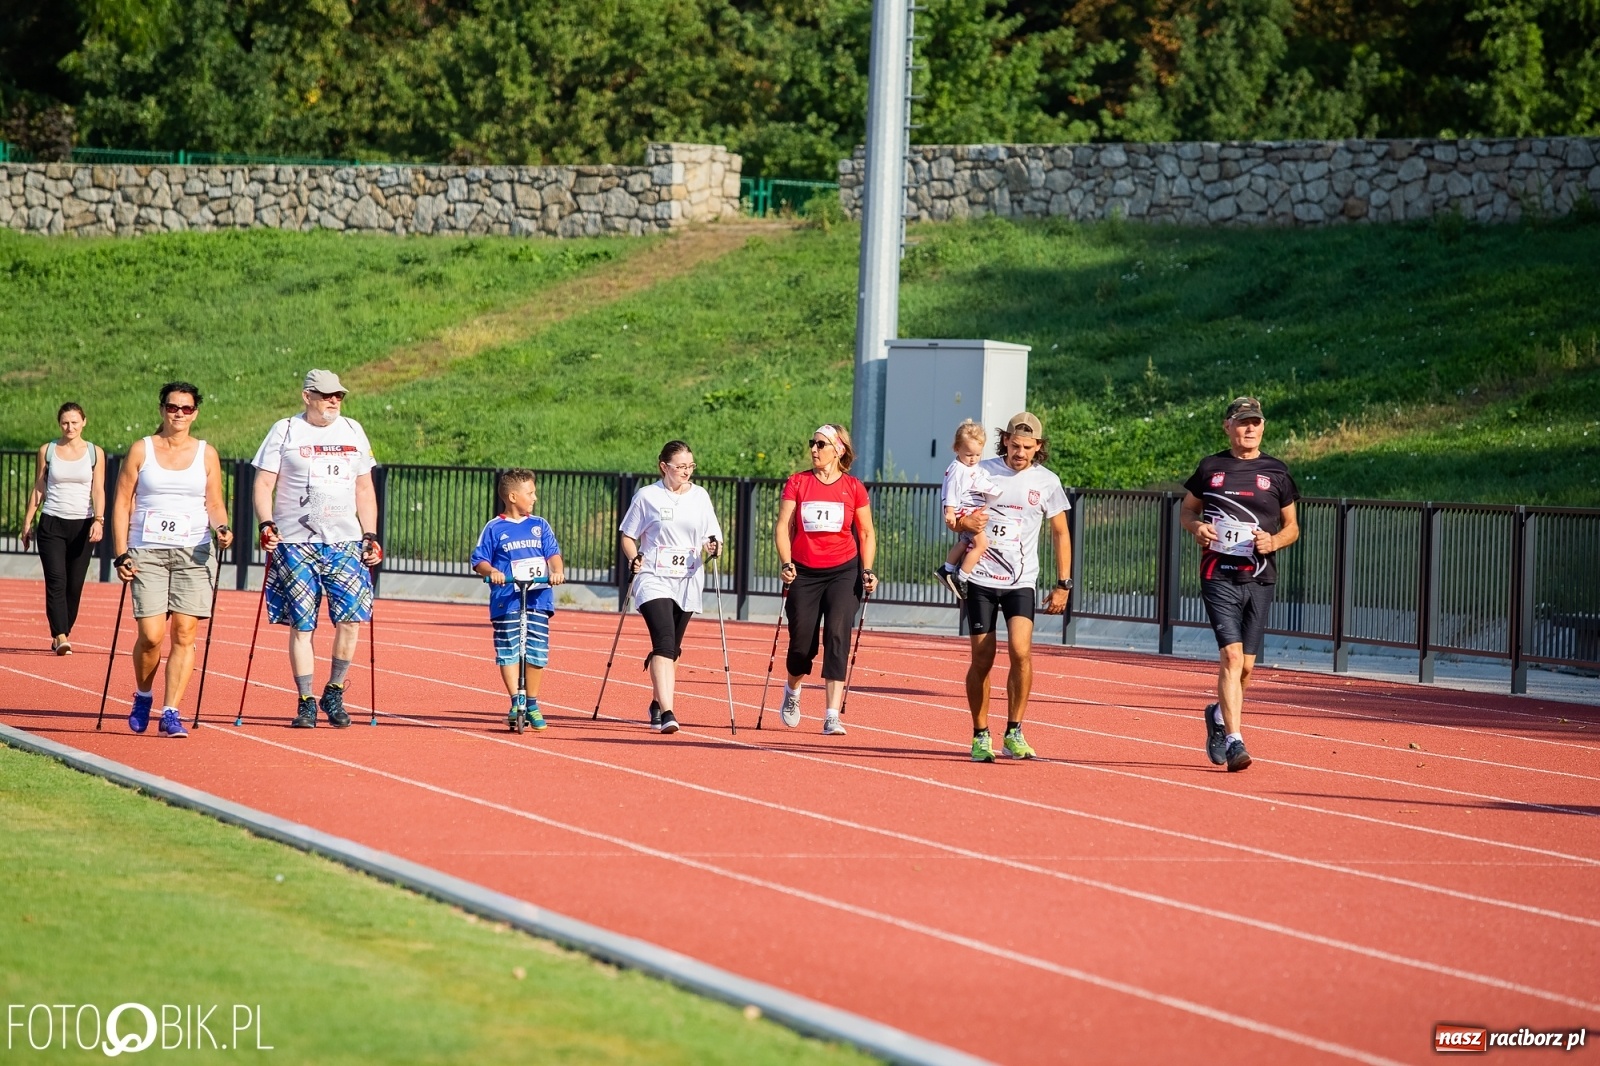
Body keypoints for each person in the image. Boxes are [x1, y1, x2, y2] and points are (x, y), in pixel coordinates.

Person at [252, 369, 383, 730]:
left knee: (351, 620)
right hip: (296, 542)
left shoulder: (353, 430)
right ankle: (306, 700)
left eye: (338, 395)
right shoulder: (286, 430)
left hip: (344, 541)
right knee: (302, 626)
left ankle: (335, 690)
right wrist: (266, 523)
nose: (333, 401)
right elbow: (263, 484)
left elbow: (364, 490)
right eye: (326, 395)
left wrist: (370, 535)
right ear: (307, 396)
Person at [1180, 396, 1300, 773]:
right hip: (1218, 575)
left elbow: (1293, 527)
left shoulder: (1276, 471)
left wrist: (1274, 541)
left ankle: (1217, 714)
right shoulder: (1211, 467)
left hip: (1260, 577)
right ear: (1227, 427)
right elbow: (1187, 509)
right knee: (1231, 657)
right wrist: (1197, 527)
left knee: (1246, 668)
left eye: (1256, 422)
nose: (1250, 428)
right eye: (1243, 422)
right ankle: (1235, 740)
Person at [109, 383, 234, 738]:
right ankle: (144, 696)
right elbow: (120, 504)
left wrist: (222, 527)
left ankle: (171, 711)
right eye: (173, 407)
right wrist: (121, 553)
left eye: (187, 408)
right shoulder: (141, 449)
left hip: (193, 551)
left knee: (185, 631)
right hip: (146, 551)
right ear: (162, 409)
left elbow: (214, 502)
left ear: (196, 412)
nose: (179, 414)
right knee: (151, 636)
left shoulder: (206, 453)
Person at [954, 412, 1071, 763]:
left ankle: (1014, 731)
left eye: (1028, 447)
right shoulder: (981, 471)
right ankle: (980, 734)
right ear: (1004, 440)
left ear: (1039, 447)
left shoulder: (1047, 481)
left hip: (1021, 580)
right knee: (983, 657)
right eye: (1015, 445)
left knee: (1021, 652)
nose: (1020, 453)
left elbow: (1060, 532)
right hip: (981, 580)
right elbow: (954, 518)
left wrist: (1063, 583)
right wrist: (966, 521)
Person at [774, 424, 878, 736]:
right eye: (813, 443)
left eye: (821, 444)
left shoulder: (854, 487)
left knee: (836, 636)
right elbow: (782, 526)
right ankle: (792, 691)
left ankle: (832, 714)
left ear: (839, 450)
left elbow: (867, 532)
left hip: (843, 572)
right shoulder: (798, 482)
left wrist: (867, 570)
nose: (814, 449)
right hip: (804, 572)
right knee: (801, 647)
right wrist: (786, 562)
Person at [618, 440, 725, 734]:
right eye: (680, 466)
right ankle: (667, 711)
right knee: (664, 642)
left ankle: (656, 701)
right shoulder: (647, 497)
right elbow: (628, 536)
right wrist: (634, 557)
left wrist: (714, 547)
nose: (686, 471)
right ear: (664, 467)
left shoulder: (700, 497)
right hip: (653, 576)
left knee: (672, 649)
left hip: (688, 580)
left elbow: (712, 536)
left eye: (690, 466)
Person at [471, 469, 565, 732]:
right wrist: (493, 573)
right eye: (530, 493)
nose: (534, 497)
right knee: (509, 649)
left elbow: (553, 554)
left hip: (537, 597)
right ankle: (517, 701)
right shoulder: (494, 527)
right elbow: (479, 561)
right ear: (513, 496)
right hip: (507, 599)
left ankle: (532, 703)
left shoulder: (540, 525)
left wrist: (556, 571)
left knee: (536, 649)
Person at [21, 403, 107, 654]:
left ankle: (63, 629)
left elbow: (98, 489)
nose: (70, 427)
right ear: (59, 424)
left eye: (74, 422)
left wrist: (99, 520)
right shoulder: (48, 450)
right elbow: (39, 487)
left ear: (84, 422)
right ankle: (60, 634)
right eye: (65, 423)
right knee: (56, 580)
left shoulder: (94, 452)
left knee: (74, 585)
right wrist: (28, 521)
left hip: (82, 524)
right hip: (52, 522)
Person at [933, 419, 999, 600]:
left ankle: (946, 569)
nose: (973, 459)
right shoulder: (958, 469)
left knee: (964, 543)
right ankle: (961, 577)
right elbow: (951, 490)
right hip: (965, 511)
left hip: (972, 509)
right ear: (956, 448)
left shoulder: (970, 467)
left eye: (977, 455)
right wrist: (950, 511)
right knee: (981, 545)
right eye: (969, 454)